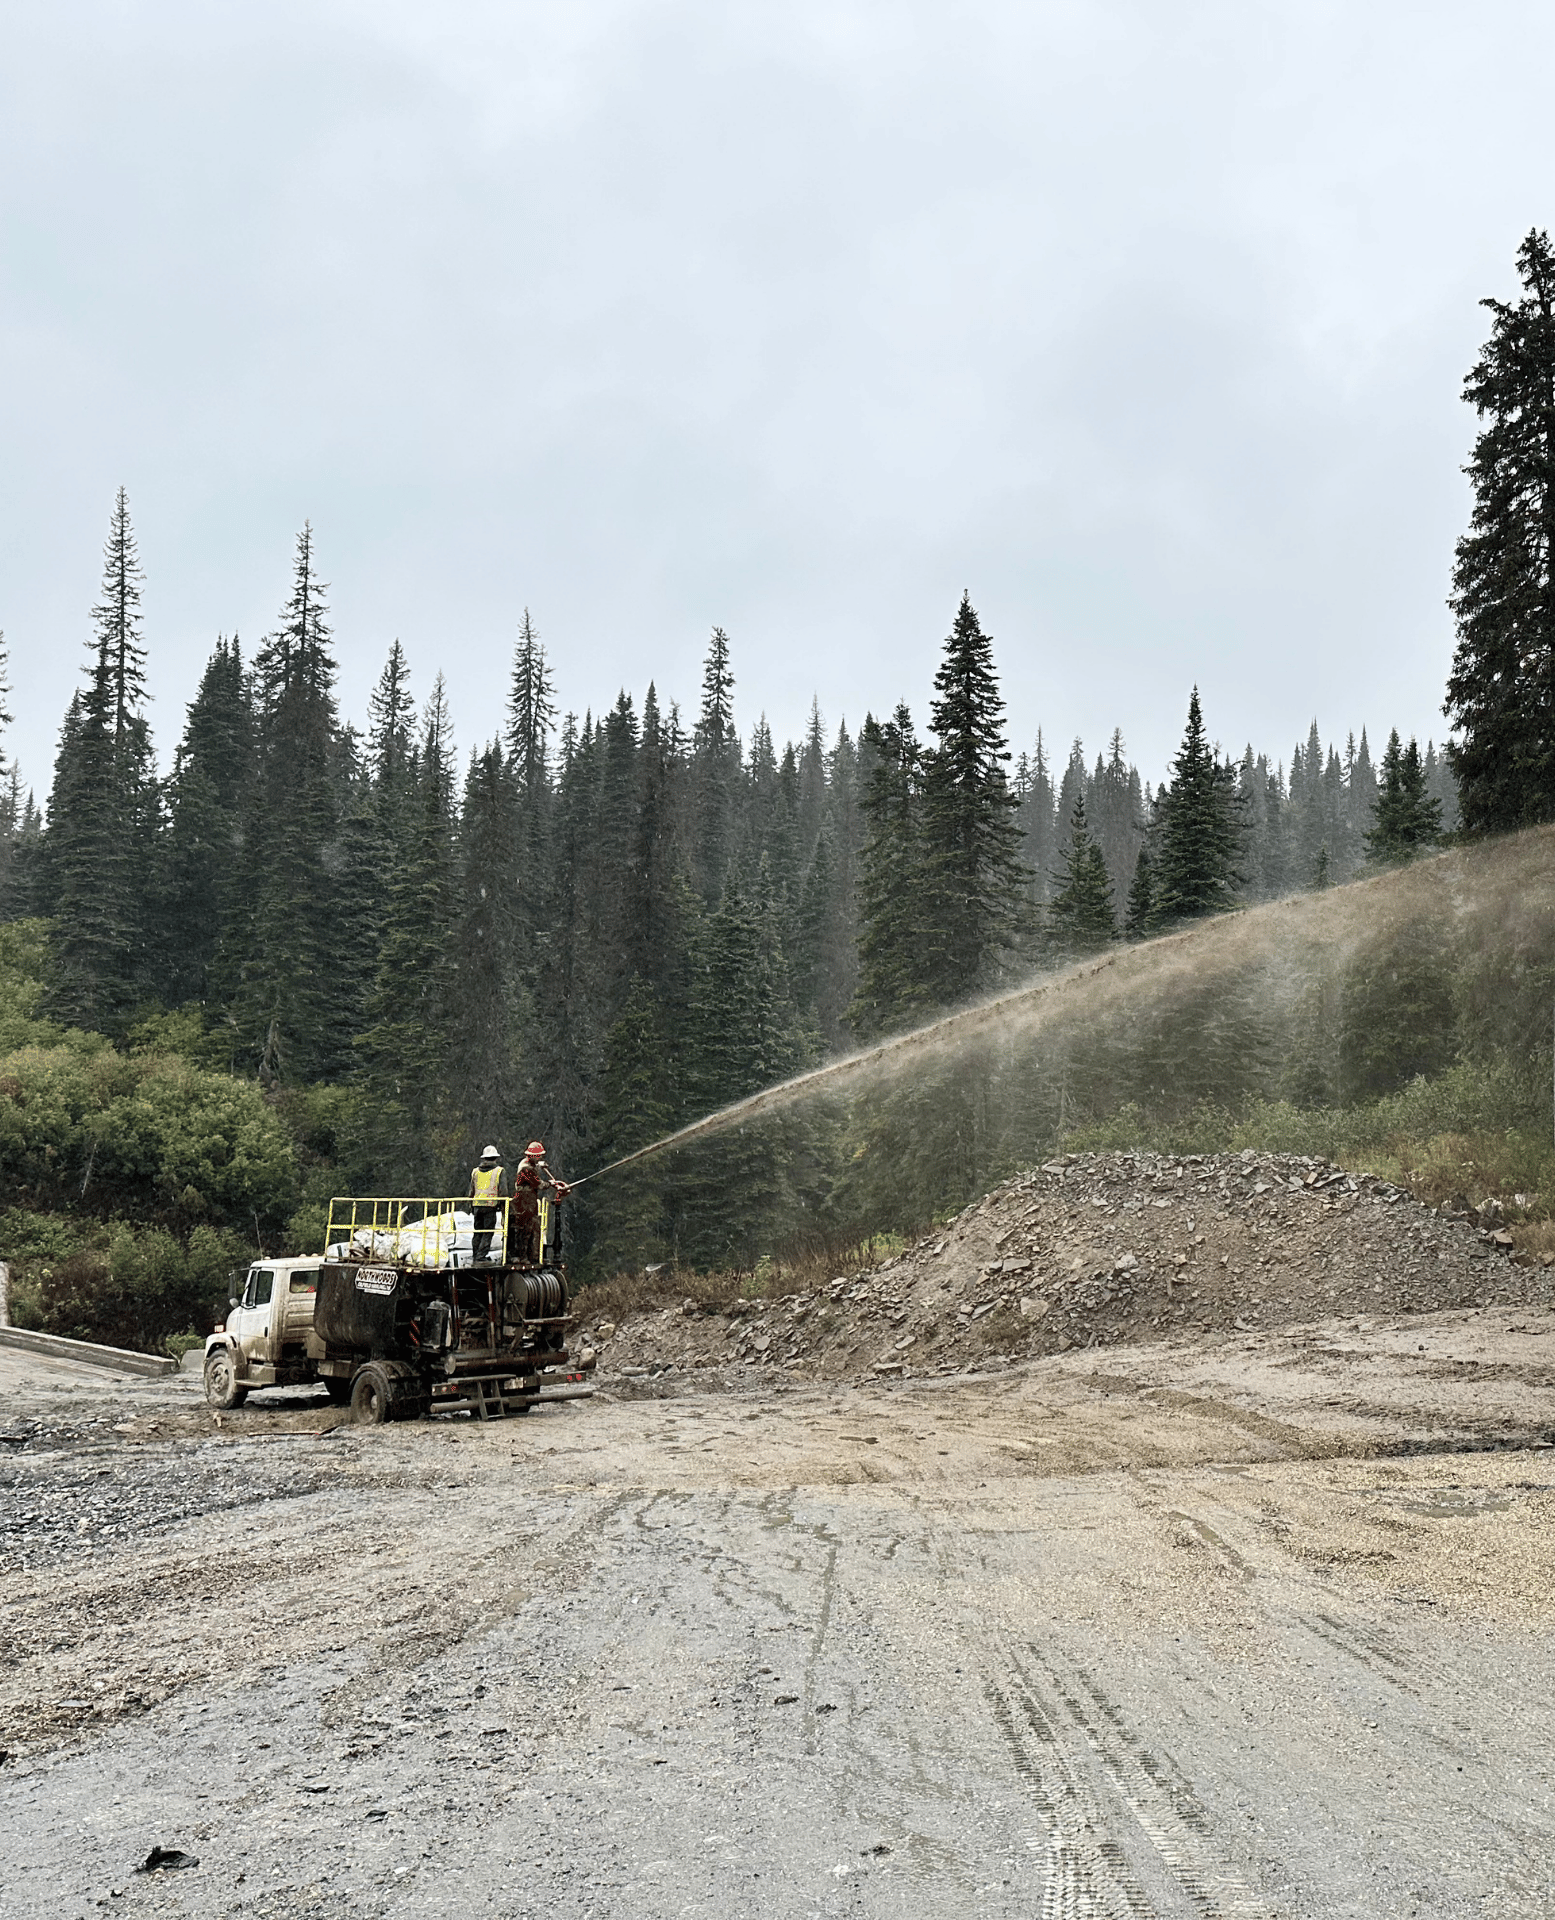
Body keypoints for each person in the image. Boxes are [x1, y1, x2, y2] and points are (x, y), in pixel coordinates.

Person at [509, 1139, 570, 1265]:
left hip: (528, 1200)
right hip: (524, 1200)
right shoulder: (527, 1169)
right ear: (533, 1156)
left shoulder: (527, 1163)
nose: (540, 1157)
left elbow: (535, 1167)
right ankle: (523, 1257)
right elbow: (538, 1184)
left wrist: (540, 1165)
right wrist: (551, 1184)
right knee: (525, 1229)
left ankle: (533, 1255)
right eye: (539, 1155)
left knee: (533, 1228)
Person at [468, 1145, 507, 1264]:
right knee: (488, 1232)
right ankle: (481, 1257)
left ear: (483, 1158)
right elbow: (503, 1191)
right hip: (490, 1205)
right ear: (495, 1158)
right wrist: (504, 1206)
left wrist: (471, 1206)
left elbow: (471, 1191)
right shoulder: (499, 1171)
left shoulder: (475, 1171)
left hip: (477, 1206)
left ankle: (476, 1256)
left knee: (478, 1232)